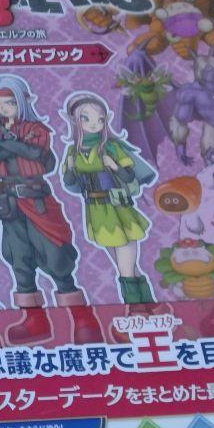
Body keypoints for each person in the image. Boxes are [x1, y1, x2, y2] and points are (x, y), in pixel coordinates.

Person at [0, 74, 102, 345]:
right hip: (8, 202)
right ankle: (34, 320)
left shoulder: (36, 128)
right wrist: (10, 145)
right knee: (18, 259)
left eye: (10, 102)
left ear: (22, 101)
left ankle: (81, 318)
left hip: (36, 199)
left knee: (55, 254)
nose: (4, 108)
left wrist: (4, 142)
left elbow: (35, 153)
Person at [61, 92, 156, 305]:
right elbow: (70, 184)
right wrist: (71, 169)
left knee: (125, 266)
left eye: (100, 119)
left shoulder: (112, 146)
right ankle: (149, 304)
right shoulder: (73, 151)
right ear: (74, 120)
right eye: (86, 118)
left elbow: (129, 176)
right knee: (127, 265)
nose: (94, 123)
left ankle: (134, 306)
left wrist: (114, 166)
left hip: (117, 207)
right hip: (96, 210)